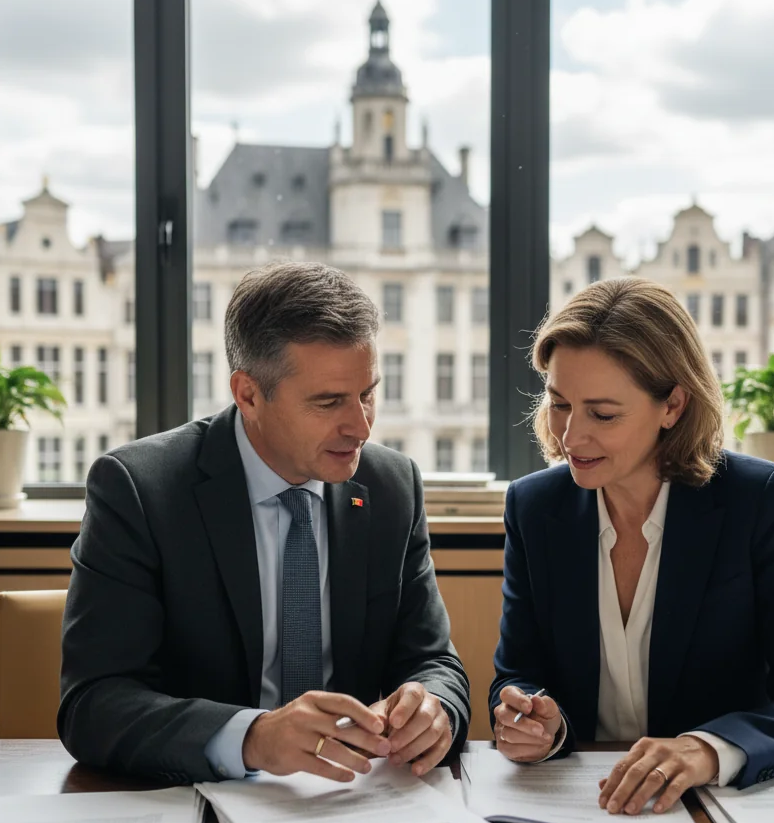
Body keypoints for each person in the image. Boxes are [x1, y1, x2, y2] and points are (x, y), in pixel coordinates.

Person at [60, 262, 470, 784]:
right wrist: (251, 737)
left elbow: (435, 660)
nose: (362, 426)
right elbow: (93, 704)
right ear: (248, 394)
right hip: (198, 800)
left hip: (356, 805)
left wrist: (435, 708)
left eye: (367, 393)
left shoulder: (391, 485)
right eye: (328, 403)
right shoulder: (139, 489)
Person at [489, 276, 774, 817]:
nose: (570, 437)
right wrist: (538, 721)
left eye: (603, 414)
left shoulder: (759, 501)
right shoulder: (534, 506)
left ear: (673, 406)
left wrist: (706, 750)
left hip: (722, 811)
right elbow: (518, 673)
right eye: (560, 403)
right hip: (583, 808)